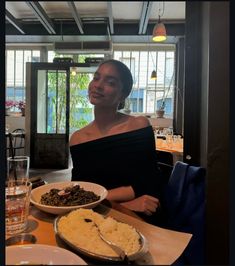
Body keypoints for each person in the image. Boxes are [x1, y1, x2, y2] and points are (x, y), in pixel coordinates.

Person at [69, 59, 165, 225]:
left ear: (123, 94)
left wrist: (99, 198)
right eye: (96, 78)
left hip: (139, 217)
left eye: (110, 82)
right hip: (95, 218)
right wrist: (124, 205)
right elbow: (81, 192)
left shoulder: (138, 125)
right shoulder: (78, 138)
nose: (98, 85)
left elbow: (150, 182)